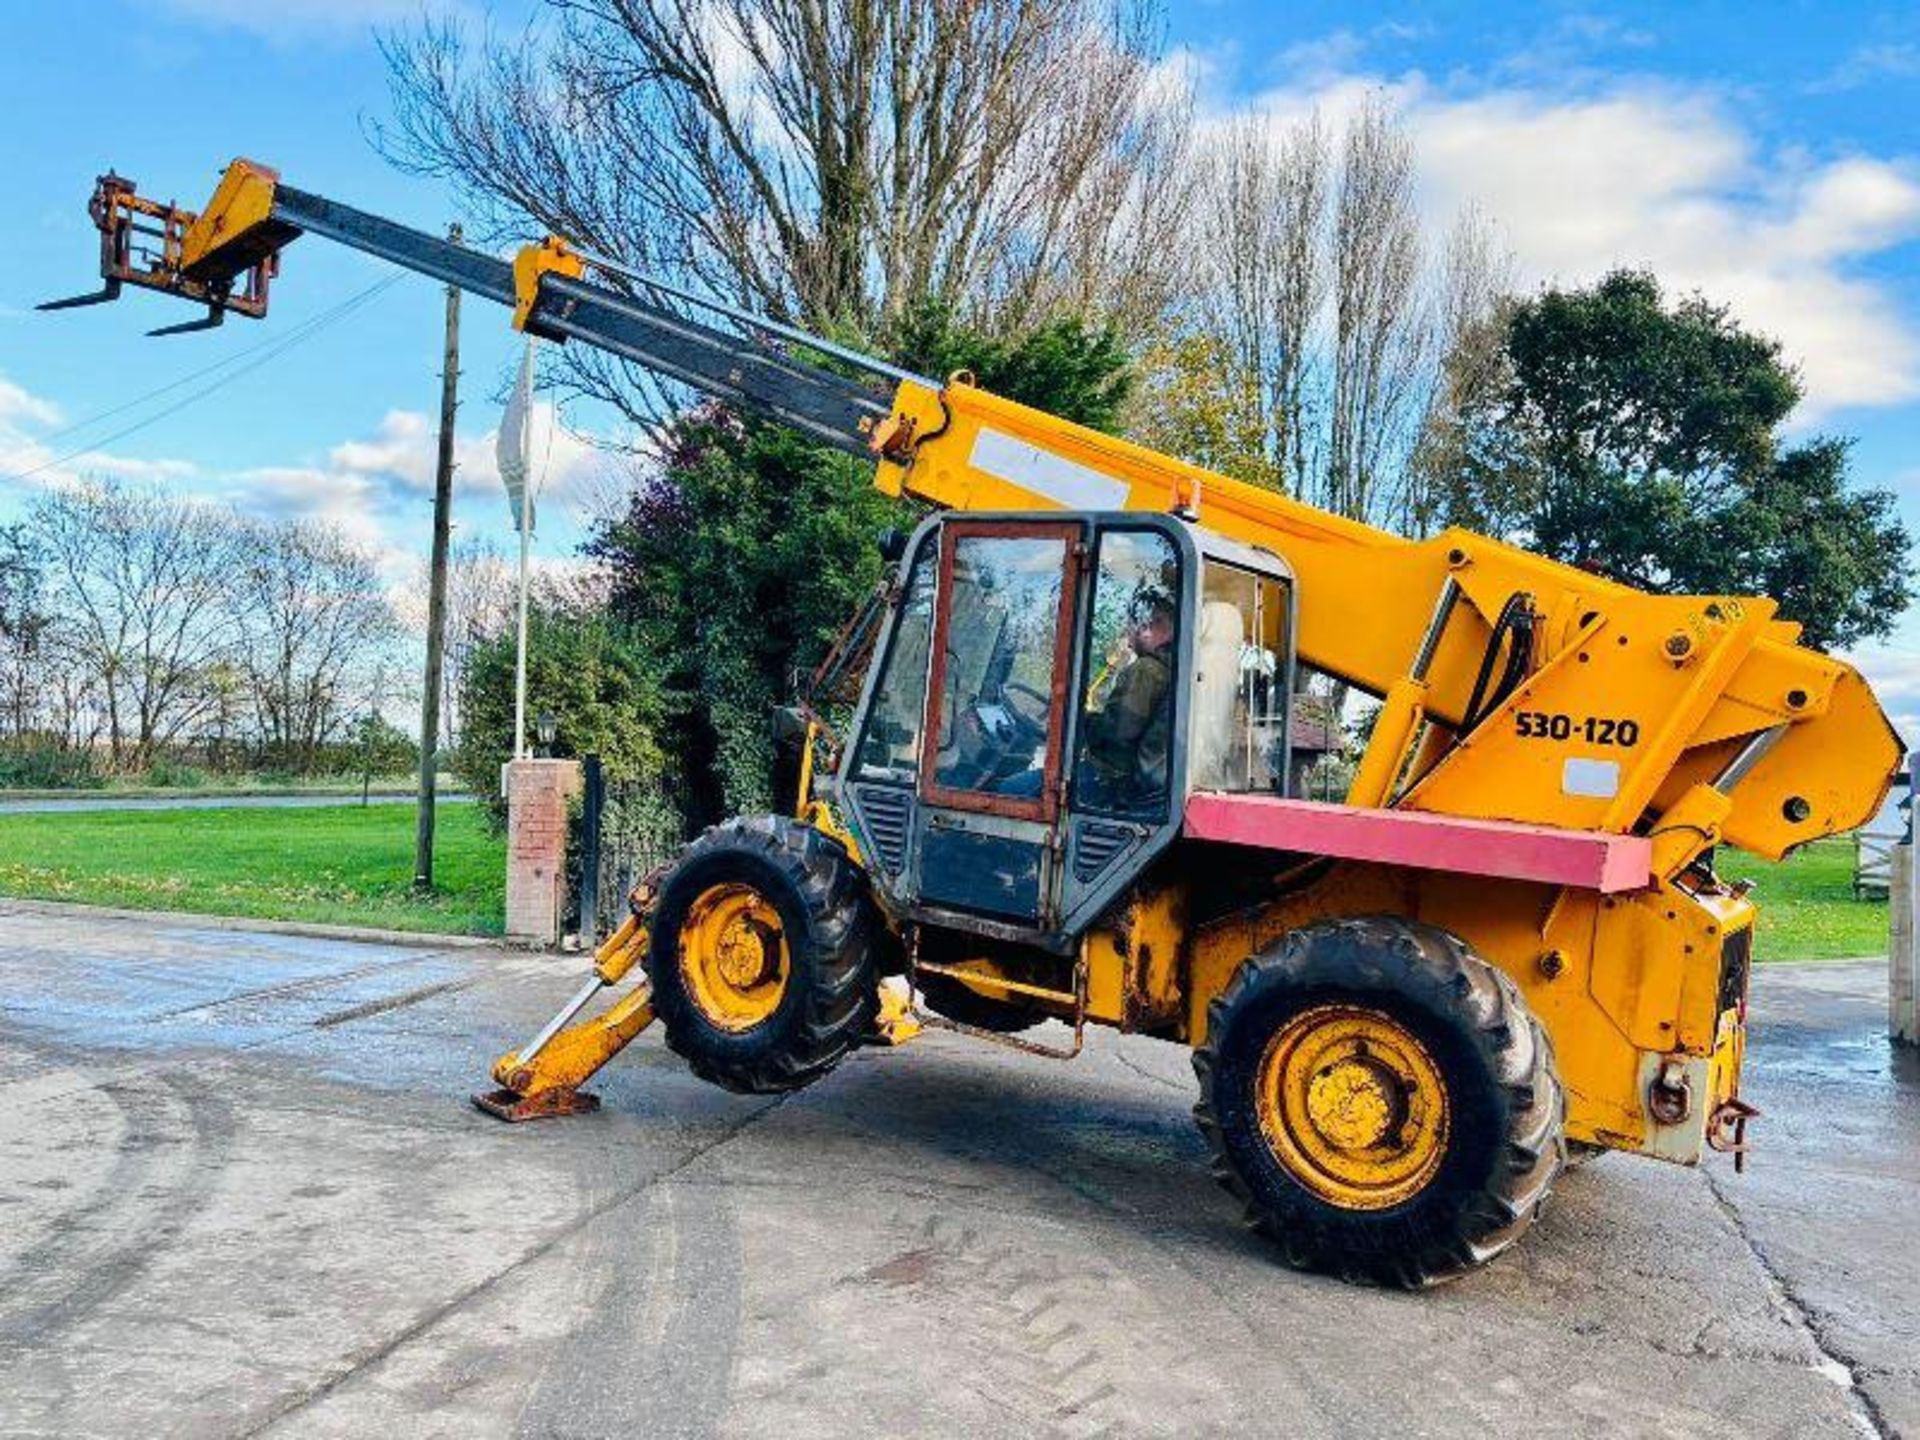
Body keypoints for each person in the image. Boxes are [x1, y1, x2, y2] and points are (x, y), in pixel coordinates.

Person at [1081, 593, 1176, 811]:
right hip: (1133, 781)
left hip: (1111, 780)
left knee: (1015, 788)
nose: (1132, 635)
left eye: (1142, 624)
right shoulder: (1173, 667)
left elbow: (1119, 733)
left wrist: (1083, 722)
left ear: (1156, 626)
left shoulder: (1147, 670)